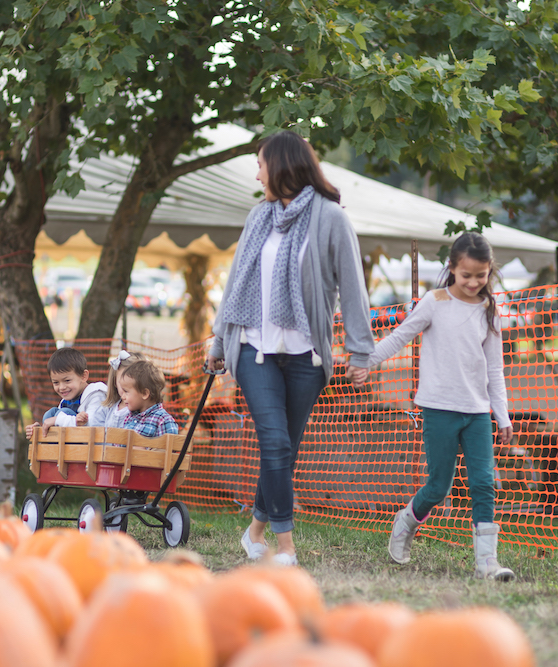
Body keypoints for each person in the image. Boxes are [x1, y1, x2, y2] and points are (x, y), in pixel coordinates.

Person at [207, 130, 374, 567]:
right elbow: (237, 281)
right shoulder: (257, 217)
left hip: (307, 356)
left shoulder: (330, 218)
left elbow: (352, 287)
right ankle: (285, 547)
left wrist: (360, 351)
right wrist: (218, 337)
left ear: (280, 166)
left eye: (260, 162)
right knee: (276, 443)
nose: (257, 171)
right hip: (252, 348)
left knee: (284, 449)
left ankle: (256, 529)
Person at [358, 231, 515, 581]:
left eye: (481, 275)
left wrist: (501, 415)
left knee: (484, 483)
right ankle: (407, 521)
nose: (474, 282)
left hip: (476, 413)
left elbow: (494, 368)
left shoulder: (490, 311)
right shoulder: (434, 301)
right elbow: (401, 336)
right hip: (439, 409)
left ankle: (487, 563)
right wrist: (367, 362)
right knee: (439, 486)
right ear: (452, 269)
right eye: (467, 275)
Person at [25, 347, 107, 439]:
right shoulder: (66, 401)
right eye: (56, 382)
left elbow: (94, 425)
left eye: (67, 380)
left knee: (63, 413)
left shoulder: (96, 394)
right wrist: (39, 430)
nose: (62, 387)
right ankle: (46, 437)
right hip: (75, 444)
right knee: (50, 414)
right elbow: (60, 421)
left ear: (84, 376)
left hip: (94, 448)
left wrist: (58, 419)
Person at [118, 359, 178, 437]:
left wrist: (144, 448)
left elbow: (171, 446)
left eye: (126, 392)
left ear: (144, 393)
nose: (123, 397)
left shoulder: (163, 420)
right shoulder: (129, 417)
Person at [91, 350, 148, 429]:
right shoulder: (106, 408)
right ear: (115, 382)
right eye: (122, 381)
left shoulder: (142, 411)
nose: (126, 387)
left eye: (131, 382)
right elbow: (95, 430)